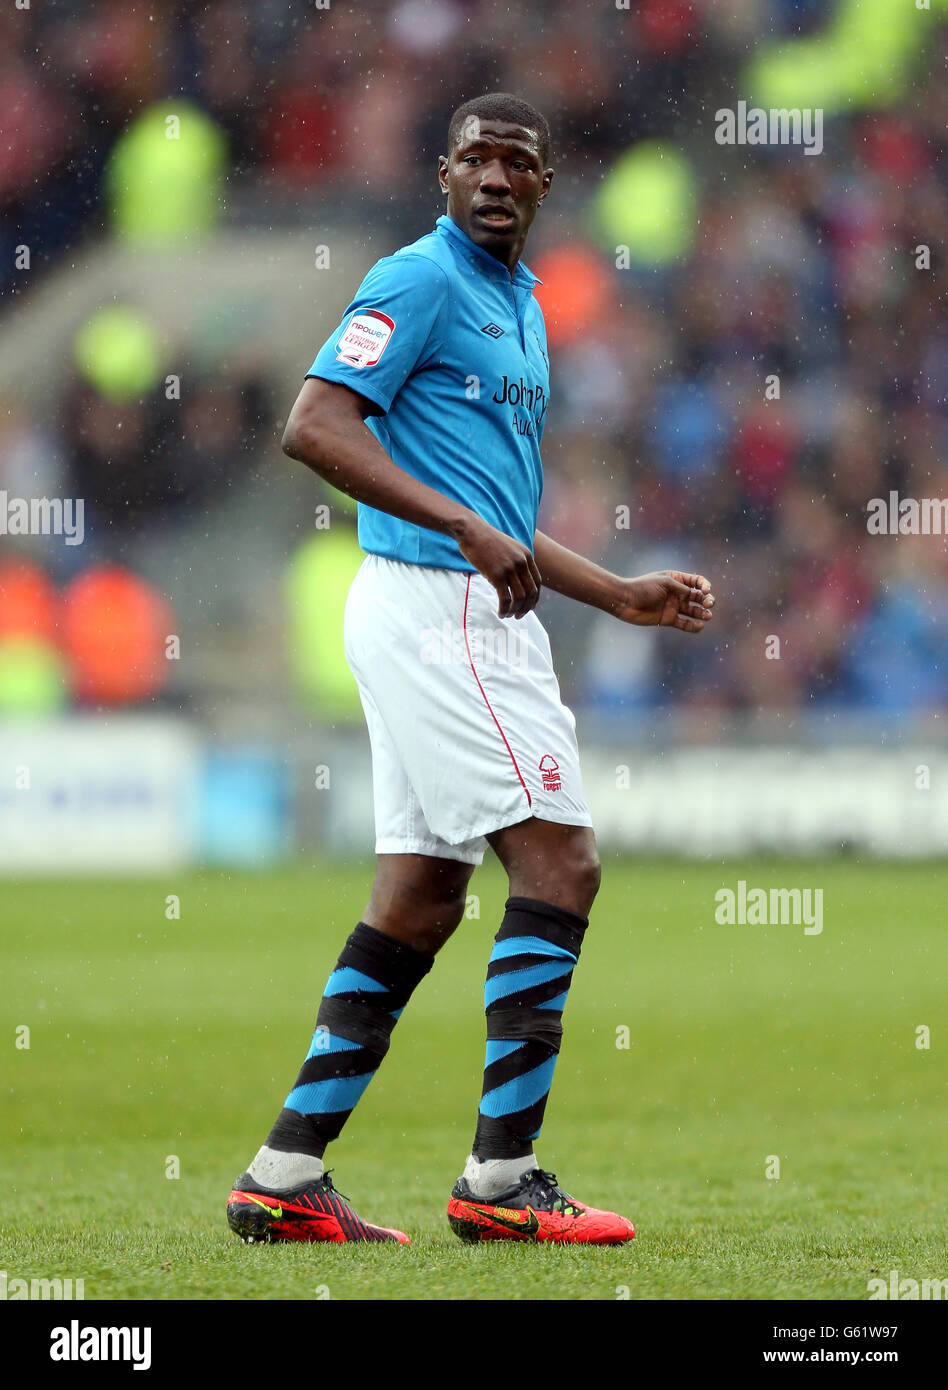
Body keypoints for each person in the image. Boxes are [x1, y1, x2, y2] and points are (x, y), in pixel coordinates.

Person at [227, 92, 714, 1246]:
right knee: (563, 863)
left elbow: (501, 517)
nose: (495, 178)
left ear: (546, 186)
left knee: (422, 897)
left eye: (518, 163)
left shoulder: (522, 308)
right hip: (437, 610)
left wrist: (618, 592)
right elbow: (315, 424)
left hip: (464, 605)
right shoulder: (420, 278)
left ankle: (285, 1171)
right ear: (441, 175)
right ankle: (501, 1185)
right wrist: (460, 528)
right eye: (474, 159)